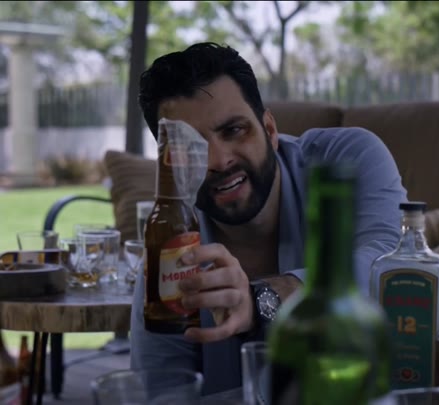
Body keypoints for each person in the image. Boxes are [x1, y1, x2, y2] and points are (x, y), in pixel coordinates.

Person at [129, 42, 407, 394]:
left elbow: (392, 264)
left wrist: (264, 298)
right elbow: (162, 390)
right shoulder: (171, 257)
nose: (218, 160)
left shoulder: (344, 161)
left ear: (270, 130)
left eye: (233, 130)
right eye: (191, 148)